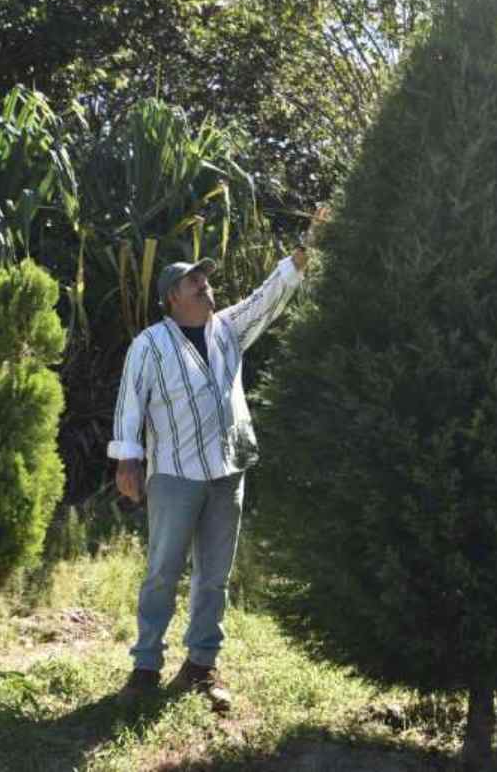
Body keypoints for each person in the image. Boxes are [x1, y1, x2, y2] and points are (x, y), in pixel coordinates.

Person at [109, 211, 326, 712]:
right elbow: (130, 404)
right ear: (173, 297)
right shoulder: (150, 345)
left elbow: (266, 299)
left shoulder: (227, 330)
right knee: (163, 570)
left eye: (206, 280)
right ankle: (145, 666)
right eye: (195, 281)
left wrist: (304, 252)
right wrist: (127, 461)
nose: (207, 286)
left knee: (214, 574)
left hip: (228, 471)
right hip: (174, 473)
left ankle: (201, 666)